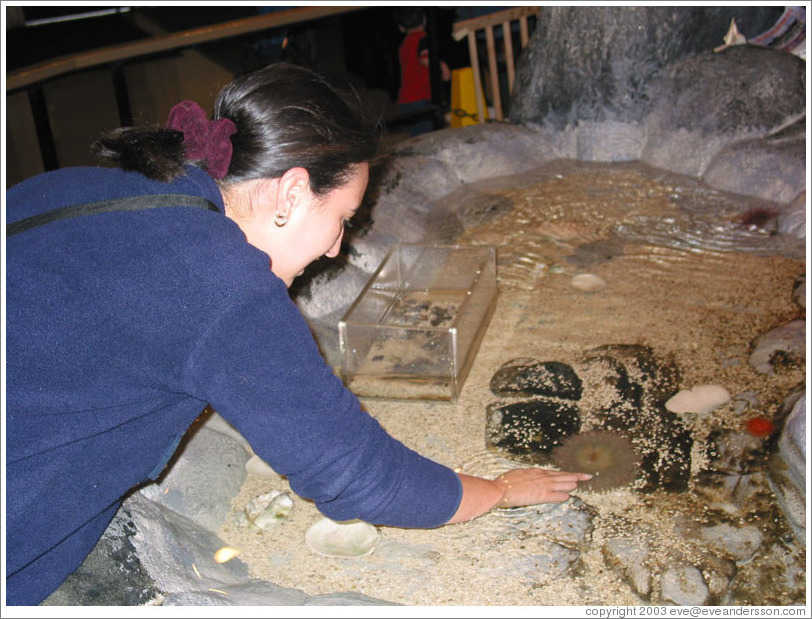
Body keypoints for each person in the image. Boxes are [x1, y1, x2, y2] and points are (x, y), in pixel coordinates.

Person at [5, 62, 591, 606]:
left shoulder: (78, 184)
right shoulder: (224, 287)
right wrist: (498, 490)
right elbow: (358, 475)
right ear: (289, 193)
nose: (338, 246)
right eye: (341, 219)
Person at [393, 7, 450, 136]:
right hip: (420, 99)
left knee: (419, 135)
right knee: (428, 136)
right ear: (424, 20)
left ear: (401, 27)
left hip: (406, 100)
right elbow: (424, 59)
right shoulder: (423, 39)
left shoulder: (404, 44)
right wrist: (442, 66)